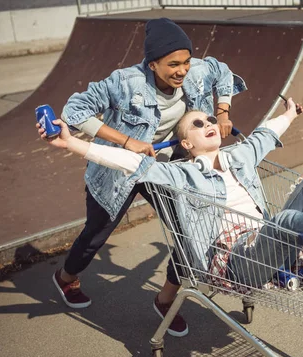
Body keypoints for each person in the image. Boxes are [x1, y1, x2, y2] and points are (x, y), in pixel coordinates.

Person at [39, 97, 303, 293]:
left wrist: (290, 113)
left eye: (209, 120)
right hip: (236, 263)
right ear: (186, 142)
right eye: (197, 123)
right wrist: (74, 144)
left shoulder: (238, 156)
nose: (208, 124)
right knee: (282, 222)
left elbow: (266, 134)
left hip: (265, 242)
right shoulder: (181, 173)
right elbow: (129, 163)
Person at [54, 17, 246, 338]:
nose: (182, 70)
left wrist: (223, 111)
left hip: (165, 167)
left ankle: (166, 300)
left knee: (191, 232)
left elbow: (222, 71)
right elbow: (75, 111)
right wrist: (127, 141)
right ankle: (66, 276)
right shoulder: (126, 82)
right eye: (173, 64)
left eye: (185, 62)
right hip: (120, 169)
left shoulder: (196, 71)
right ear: (153, 64)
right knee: (97, 233)